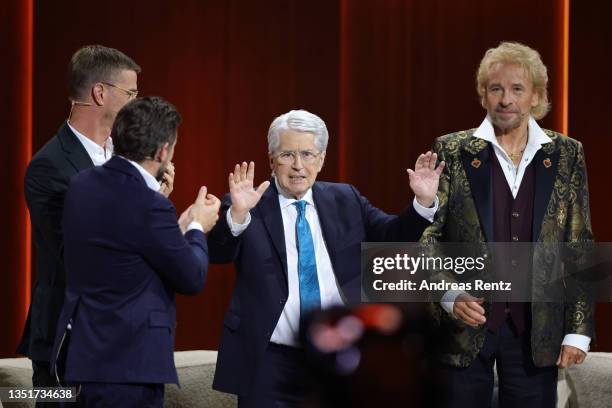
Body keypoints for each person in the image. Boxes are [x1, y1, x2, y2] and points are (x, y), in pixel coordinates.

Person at [208, 109, 445, 406]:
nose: (298, 166)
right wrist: (238, 215)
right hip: (269, 358)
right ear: (271, 159)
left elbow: (392, 237)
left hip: (337, 352)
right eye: (287, 155)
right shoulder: (247, 204)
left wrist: (423, 203)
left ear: (321, 159)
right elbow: (217, 252)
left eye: (308, 154)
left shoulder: (345, 198)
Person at [420, 42, 594, 407]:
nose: (505, 99)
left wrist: (578, 330)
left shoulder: (566, 154)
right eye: (496, 88)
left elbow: (578, 243)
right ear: (483, 94)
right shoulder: (451, 151)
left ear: (536, 97)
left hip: (536, 328)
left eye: (517, 89)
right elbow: (428, 238)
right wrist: (449, 295)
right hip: (463, 328)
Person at [15, 46, 174, 405]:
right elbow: (79, 256)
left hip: (127, 345)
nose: (136, 105)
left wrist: (156, 201)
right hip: (68, 343)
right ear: (100, 93)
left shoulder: (129, 159)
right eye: (131, 94)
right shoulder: (50, 167)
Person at [50, 96, 220, 407]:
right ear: (163, 151)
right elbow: (192, 278)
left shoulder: (81, 185)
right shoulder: (150, 206)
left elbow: (123, 246)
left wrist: (171, 225)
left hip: (80, 358)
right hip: (128, 368)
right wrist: (196, 227)